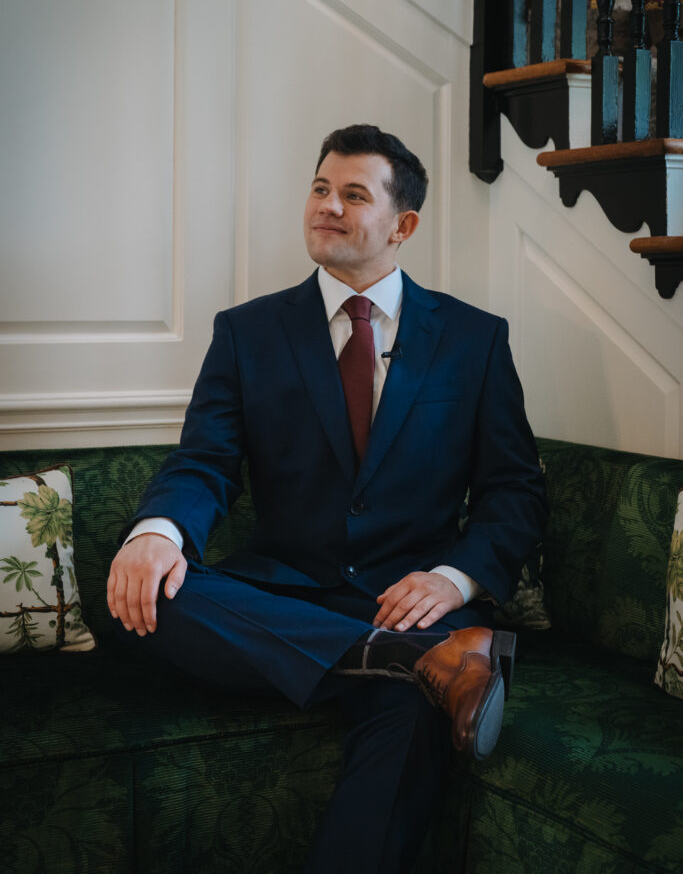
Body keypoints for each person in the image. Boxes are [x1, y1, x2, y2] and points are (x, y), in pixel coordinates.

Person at [107, 124, 547, 873]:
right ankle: (422, 662)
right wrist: (158, 531)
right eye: (319, 188)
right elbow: (205, 461)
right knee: (144, 595)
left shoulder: (474, 339)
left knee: (408, 716)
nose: (327, 206)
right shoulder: (247, 332)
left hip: (414, 599)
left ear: (402, 225)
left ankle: (409, 659)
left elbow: (512, 489)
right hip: (284, 595)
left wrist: (452, 579)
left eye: (352, 194)